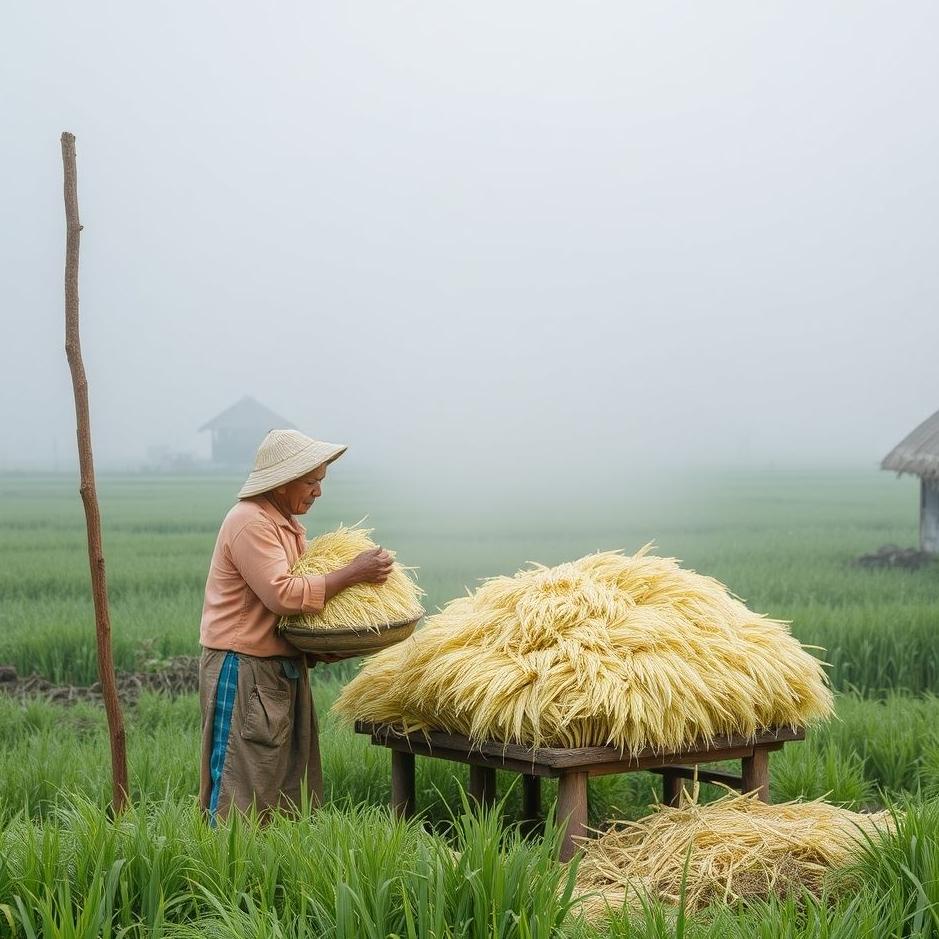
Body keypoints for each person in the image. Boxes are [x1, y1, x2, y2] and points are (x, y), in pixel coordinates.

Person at [198, 428, 392, 822]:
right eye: (311, 481)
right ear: (283, 482)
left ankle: (270, 877)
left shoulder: (284, 525)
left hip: (279, 669)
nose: (318, 491)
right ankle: (221, 874)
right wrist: (353, 573)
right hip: (245, 671)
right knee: (241, 787)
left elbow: (291, 615)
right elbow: (283, 595)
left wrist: (326, 646)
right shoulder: (250, 522)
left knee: (286, 787)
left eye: (321, 481)